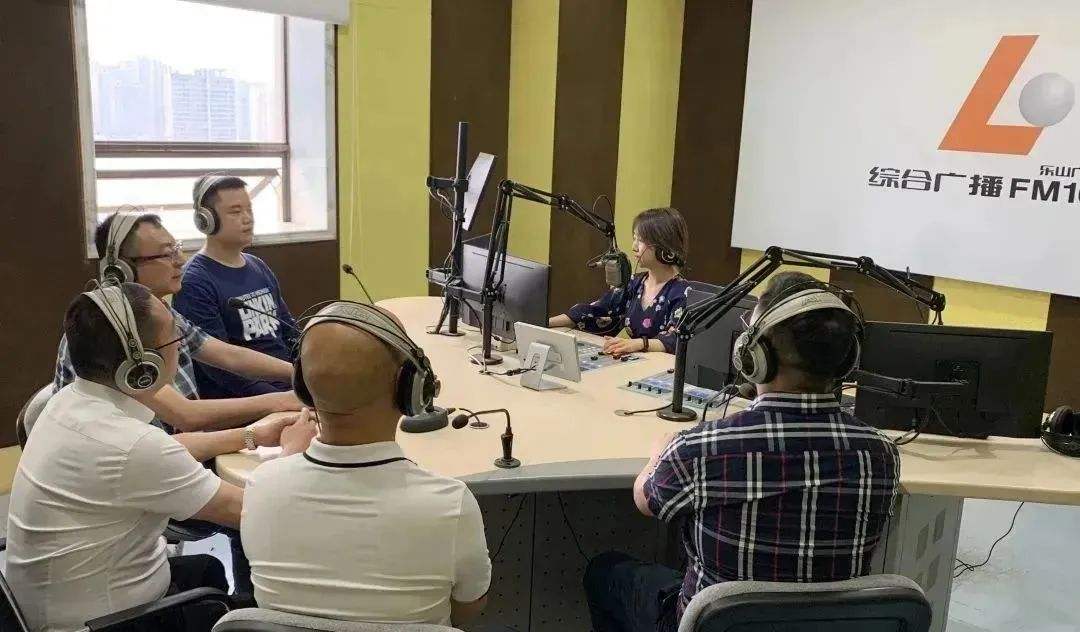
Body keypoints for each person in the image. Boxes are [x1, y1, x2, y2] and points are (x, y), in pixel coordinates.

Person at [583, 272, 901, 632]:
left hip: (710, 624)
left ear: (753, 356)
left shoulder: (702, 447)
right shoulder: (881, 455)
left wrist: (661, 452)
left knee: (605, 572)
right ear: (845, 361)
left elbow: (646, 500)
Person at [6, 283, 318, 632]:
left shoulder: (70, 403)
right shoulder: (131, 446)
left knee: (206, 571)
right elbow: (258, 513)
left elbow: (163, 449)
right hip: (108, 623)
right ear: (144, 364)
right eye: (174, 339)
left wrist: (252, 435)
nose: (181, 348)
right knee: (246, 613)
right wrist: (293, 451)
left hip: (61, 604)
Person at [241, 302, 492, 627]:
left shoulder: (261, 487)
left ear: (303, 386)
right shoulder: (451, 504)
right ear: (412, 387)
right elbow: (467, 608)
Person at [53, 211, 300, 433]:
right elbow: (185, 415)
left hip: (176, 451)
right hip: (141, 459)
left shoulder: (158, 312)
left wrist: (300, 373)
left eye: (177, 248)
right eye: (167, 253)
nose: (181, 260)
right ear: (122, 268)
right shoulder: (106, 332)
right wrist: (283, 401)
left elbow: (229, 356)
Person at [173, 175, 297, 400]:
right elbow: (221, 369)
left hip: (290, 385)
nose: (248, 219)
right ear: (206, 220)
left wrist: (311, 374)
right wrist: (283, 399)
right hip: (249, 402)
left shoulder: (258, 266)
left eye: (249, 209)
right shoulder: (194, 281)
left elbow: (289, 331)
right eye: (235, 212)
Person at [548, 207, 691, 356]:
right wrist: (543, 323)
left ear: (664, 245)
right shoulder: (634, 283)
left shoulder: (683, 292)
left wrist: (638, 344)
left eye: (641, 240)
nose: (634, 247)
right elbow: (595, 311)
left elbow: (676, 338)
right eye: (634, 239)